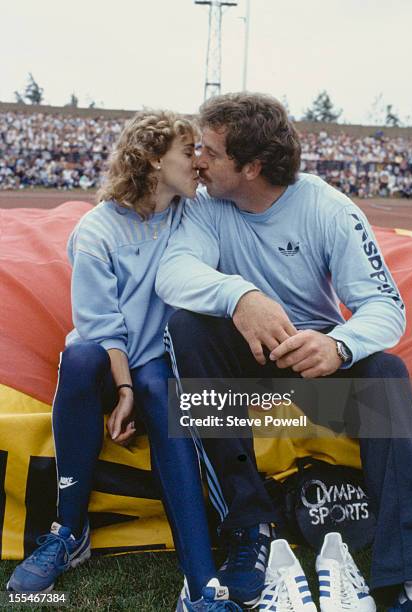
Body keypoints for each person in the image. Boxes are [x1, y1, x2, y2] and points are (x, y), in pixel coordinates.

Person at [156, 93, 412, 611]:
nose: (197, 160)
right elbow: (174, 272)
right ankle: (249, 528)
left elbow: (385, 306)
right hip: (243, 376)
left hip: (314, 379)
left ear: (252, 166)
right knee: (187, 329)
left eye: (209, 150)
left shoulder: (327, 206)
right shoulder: (204, 204)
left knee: (386, 372)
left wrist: (338, 346)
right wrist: (240, 296)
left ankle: (408, 571)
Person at [6, 109, 242, 612]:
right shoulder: (96, 231)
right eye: (187, 152)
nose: (197, 163)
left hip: (157, 360)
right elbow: (100, 325)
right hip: (106, 356)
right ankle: (69, 530)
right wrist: (124, 391)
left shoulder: (189, 211)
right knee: (80, 355)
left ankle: (200, 582)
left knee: (160, 387)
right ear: (155, 159)